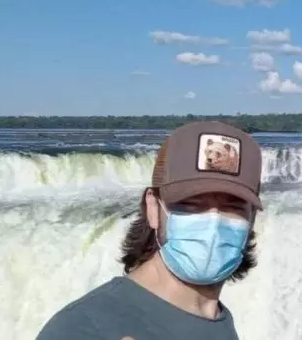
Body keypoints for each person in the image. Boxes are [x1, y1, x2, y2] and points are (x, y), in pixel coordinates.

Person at [36, 121, 264, 340]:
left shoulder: (217, 319)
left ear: (251, 217)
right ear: (153, 208)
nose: (213, 221)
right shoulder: (81, 329)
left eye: (233, 207)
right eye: (191, 204)